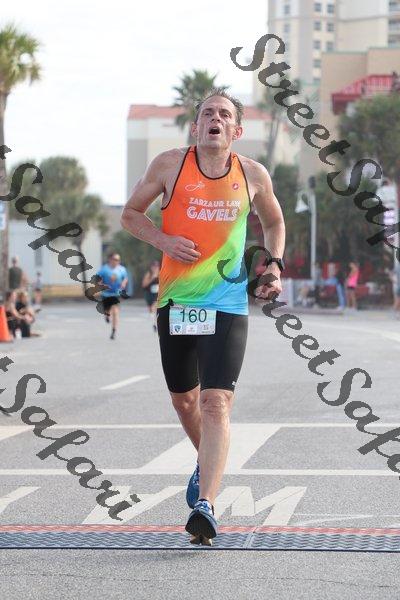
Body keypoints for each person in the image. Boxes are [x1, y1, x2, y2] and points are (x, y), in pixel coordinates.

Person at [121, 88, 284, 545]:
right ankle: (206, 461)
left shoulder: (252, 174)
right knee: (185, 402)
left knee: (216, 402)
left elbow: (274, 221)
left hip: (228, 302)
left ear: (237, 130)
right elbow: (130, 214)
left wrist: (273, 266)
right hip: (177, 301)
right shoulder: (169, 166)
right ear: (196, 126)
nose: (215, 119)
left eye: (224, 114)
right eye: (207, 113)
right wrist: (163, 241)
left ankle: (206, 505)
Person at [96, 253, 128, 340]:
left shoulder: (122, 269)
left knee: (115, 312)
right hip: (106, 294)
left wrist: (123, 283)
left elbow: (125, 278)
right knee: (107, 310)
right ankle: (107, 316)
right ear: (110, 259)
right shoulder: (104, 269)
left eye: (118, 260)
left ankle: (114, 331)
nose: (117, 261)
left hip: (116, 294)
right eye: (115, 259)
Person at [142, 260, 160, 331]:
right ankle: (153, 323)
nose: (155, 268)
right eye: (154, 266)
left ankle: (155, 324)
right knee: (151, 310)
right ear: (151, 267)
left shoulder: (160, 274)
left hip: (157, 294)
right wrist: (152, 278)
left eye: (157, 266)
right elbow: (144, 285)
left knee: (154, 307)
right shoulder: (148, 274)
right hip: (149, 294)